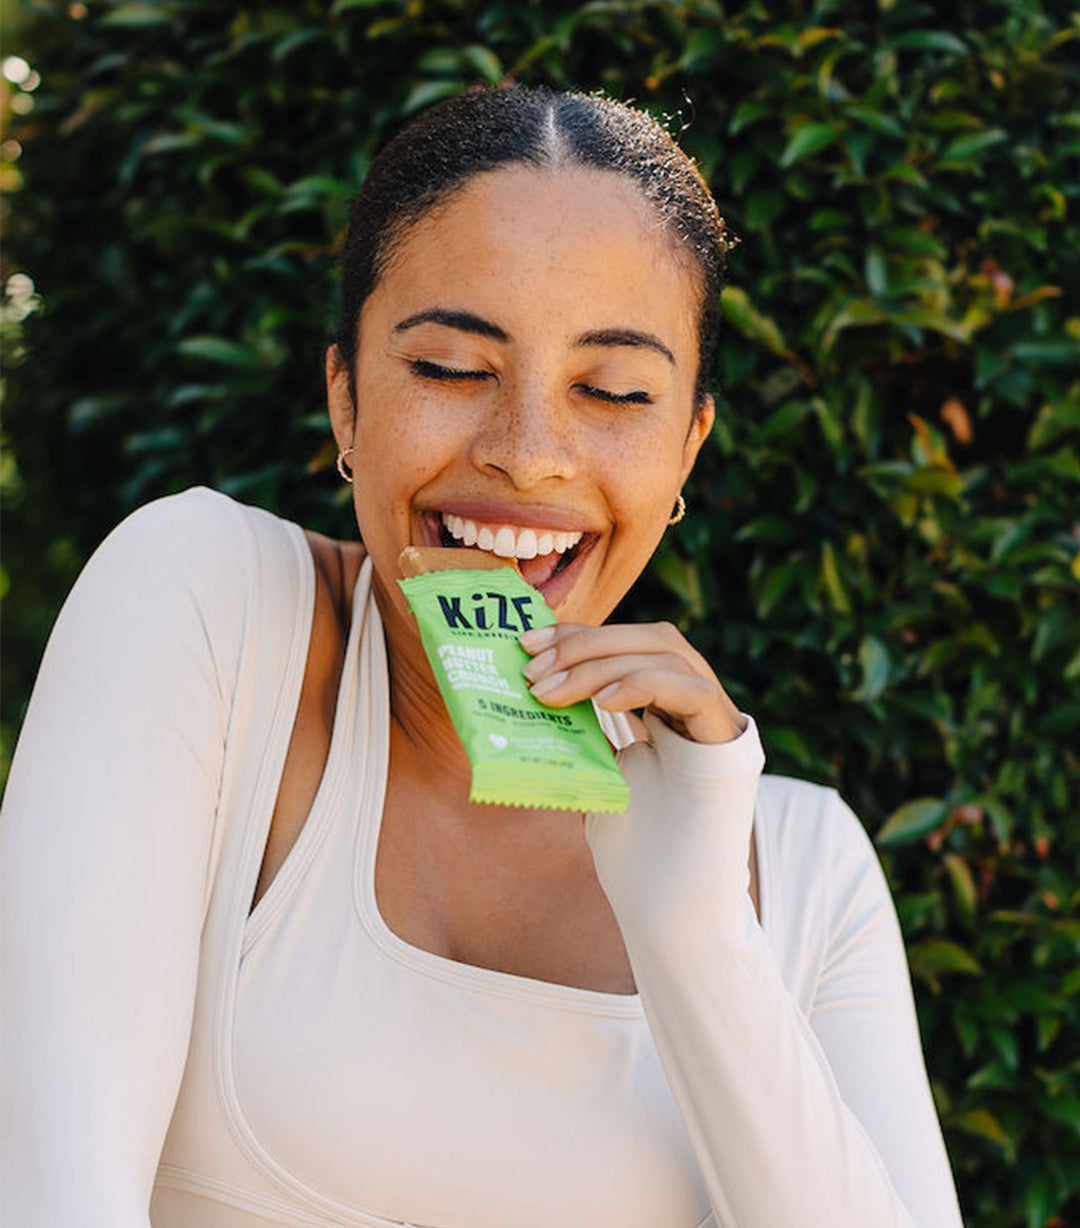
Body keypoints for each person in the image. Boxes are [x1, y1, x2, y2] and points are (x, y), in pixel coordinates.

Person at [2, 85, 964, 1228]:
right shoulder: (210, 608)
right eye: (453, 369)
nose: (528, 457)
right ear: (345, 400)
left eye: (611, 391)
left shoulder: (808, 867)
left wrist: (695, 926)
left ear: (688, 446)